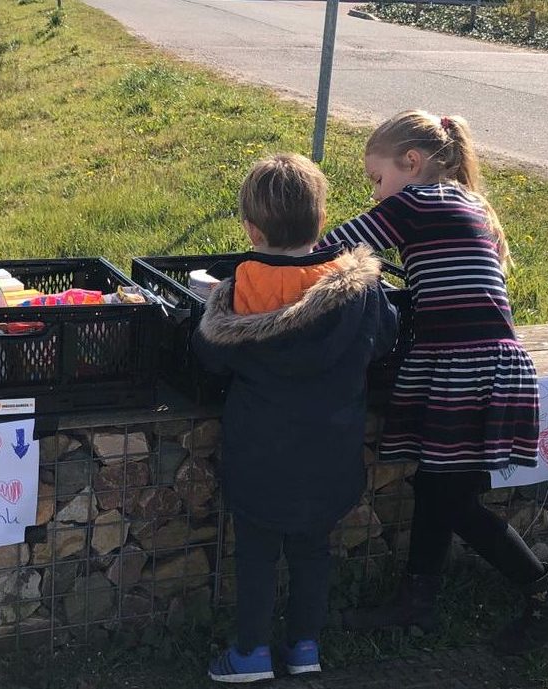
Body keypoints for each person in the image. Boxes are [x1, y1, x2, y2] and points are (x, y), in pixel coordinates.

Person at [314, 110, 548, 653]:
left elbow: (333, 249)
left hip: (465, 367)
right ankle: (416, 600)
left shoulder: (412, 203)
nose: (375, 192)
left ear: (411, 162)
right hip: (489, 363)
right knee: (441, 487)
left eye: (377, 178)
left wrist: (273, 261)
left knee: (454, 499)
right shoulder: (468, 202)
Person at [194, 153, 398, 682]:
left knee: (257, 554)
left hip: (259, 456)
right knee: (313, 551)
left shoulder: (242, 288)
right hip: (331, 453)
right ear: (322, 221)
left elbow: (211, 355)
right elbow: (385, 336)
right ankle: (305, 647)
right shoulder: (359, 288)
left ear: (251, 229)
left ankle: (251, 653)